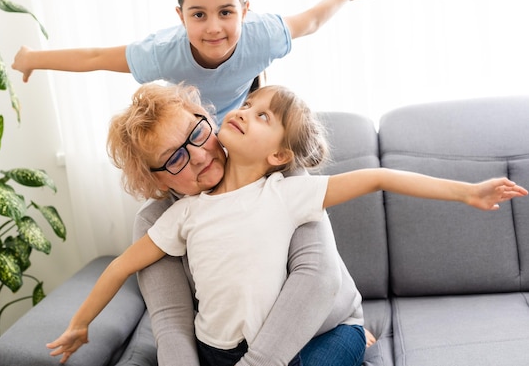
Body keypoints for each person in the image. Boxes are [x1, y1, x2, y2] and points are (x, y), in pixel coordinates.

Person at [46, 84, 527, 366]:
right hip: (223, 351)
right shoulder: (178, 215)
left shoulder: (286, 189)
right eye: (173, 158)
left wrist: (466, 191)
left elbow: (376, 177)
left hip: (306, 337)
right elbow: (126, 276)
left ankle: (358, 338)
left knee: (344, 342)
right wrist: (80, 325)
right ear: (154, 179)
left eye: (196, 133)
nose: (196, 155)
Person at [12, 0, 388, 125]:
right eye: (198, 15)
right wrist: (31, 58)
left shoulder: (263, 35)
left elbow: (312, 21)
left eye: (226, 12)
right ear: (180, 16)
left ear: (244, 11)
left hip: (239, 124)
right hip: (195, 127)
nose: (213, 28)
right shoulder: (164, 53)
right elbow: (94, 58)